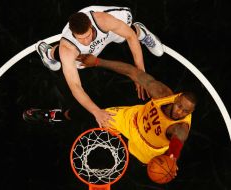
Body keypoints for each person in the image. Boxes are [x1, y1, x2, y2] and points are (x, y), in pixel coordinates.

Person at [24, 54, 196, 166]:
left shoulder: (181, 127)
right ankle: (57, 115)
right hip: (130, 120)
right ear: (175, 99)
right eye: (180, 106)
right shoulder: (162, 94)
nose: (180, 112)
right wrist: (98, 62)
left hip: (147, 148)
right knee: (91, 114)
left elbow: (177, 143)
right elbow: (132, 72)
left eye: (185, 111)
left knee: (146, 170)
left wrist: (172, 159)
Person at [35, 5, 164, 127]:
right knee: (73, 61)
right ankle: (48, 53)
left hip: (106, 31)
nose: (86, 41)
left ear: (91, 26)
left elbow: (130, 36)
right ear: (73, 34)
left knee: (127, 28)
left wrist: (140, 74)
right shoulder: (67, 47)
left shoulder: (102, 20)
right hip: (78, 51)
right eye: (81, 38)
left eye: (87, 36)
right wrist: (96, 111)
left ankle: (142, 32)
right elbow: (75, 86)